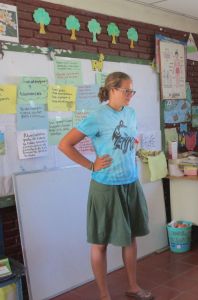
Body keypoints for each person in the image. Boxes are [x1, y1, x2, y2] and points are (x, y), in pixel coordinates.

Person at [58, 72, 153, 300]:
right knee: (100, 243)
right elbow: (65, 144)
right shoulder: (98, 116)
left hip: (130, 184)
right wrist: (91, 165)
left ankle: (133, 287)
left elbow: (124, 142)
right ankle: (104, 295)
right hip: (106, 187)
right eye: (126, 90)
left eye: (132, 90)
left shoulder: (130, 114)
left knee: (130, 238)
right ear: (112, 89)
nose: (130, 95)